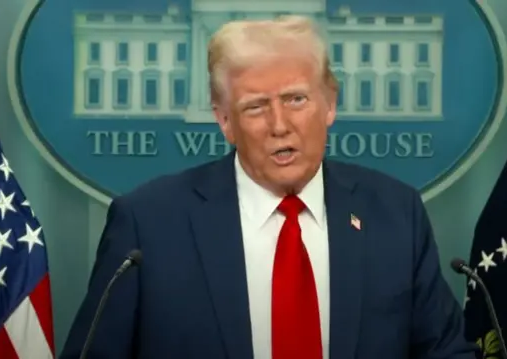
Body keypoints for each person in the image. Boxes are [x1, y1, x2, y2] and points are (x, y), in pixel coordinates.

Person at [60, 15, 478, 359]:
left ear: (330, 103)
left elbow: (445, 353)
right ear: (225, 120)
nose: (280, 126)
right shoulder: (149, 223)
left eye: (296, 99)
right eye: (256, 106)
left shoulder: (394, 213)